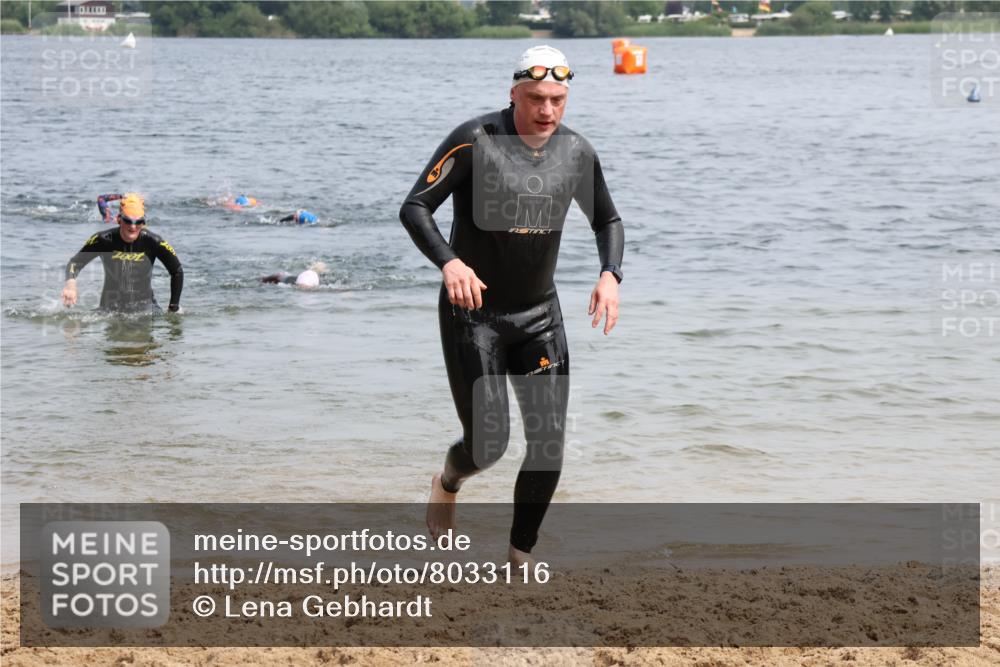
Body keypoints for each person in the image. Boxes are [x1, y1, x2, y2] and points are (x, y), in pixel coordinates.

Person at [399, 45, 624, 566]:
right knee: (488, 444)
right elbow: (415, 207)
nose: (547, 110)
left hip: (540, 315)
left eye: (557, 99)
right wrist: (449, 263)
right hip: (474, 315)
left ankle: (519, 556)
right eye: (536, 98)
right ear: (513, 94)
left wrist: (609, 274)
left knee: (548, 445)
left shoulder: (577, 152)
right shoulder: (475, 141)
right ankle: (448, 481)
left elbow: (606, 220)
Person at [62, 193, 183, 313]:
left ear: (143, 222)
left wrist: (173, 307)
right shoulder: (103, 239)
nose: (133, 227)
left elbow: (176, 271)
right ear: (119, 219)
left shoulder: (153, 241)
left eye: (138, 222)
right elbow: (75, 263)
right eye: (128, 221)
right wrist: (70, 284)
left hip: (145, 308)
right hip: (109, 308)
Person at [260, 261, 327, 288]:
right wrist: (263, 279)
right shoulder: (289, 281)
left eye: (304, 286)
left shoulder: (321, 286)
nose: (302, 288)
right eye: (300, 286)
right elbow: (278, 275)